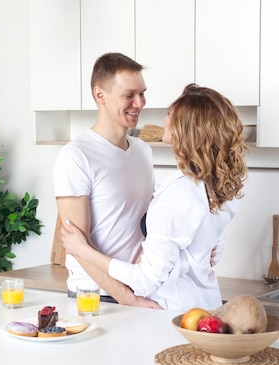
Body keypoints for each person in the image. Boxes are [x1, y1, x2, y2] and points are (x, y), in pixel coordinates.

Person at [61, 84, 248, 312]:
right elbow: (213, 254)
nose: (164, 119)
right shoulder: (219, 186)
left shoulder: (178, 195)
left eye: (170, 114)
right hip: (206, 307)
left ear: (185, 130)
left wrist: (82, 250)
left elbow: (144, 281)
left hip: (173, 316)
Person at [52, 52, 160, 308]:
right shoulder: (76, 156)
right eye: (129, 95)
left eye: (142, 93)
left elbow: (148, 224)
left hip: (140, 290)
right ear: (100, 95)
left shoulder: (143, 150)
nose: (140, 102)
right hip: (96, 298)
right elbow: (77, 246)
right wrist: (126, 297)